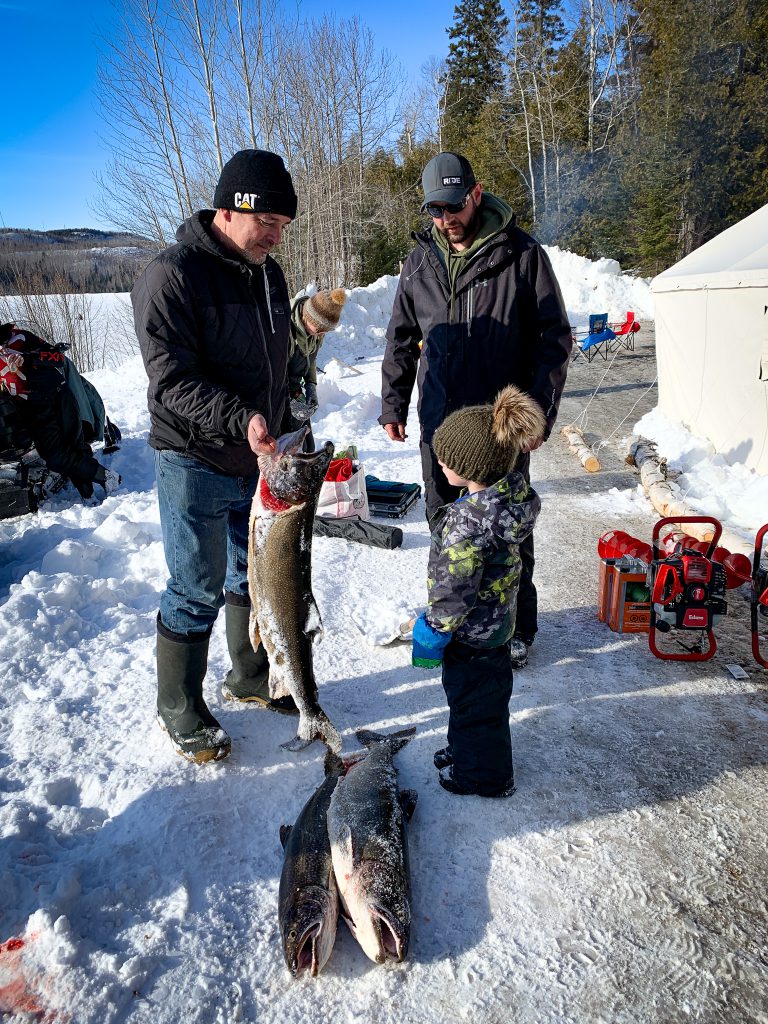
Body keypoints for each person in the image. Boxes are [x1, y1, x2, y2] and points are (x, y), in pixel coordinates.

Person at [131, 149, 298, 765]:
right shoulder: (171, 276)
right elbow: (170, 381)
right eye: (268, 225)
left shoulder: (266, 272)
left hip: (253, 457)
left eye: (283, 227)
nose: (275, 239)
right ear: (230, 209)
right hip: (194, 458)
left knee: (248, 575)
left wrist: (286, 410)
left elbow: (278, 354)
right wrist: (243, 418)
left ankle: (249, 674)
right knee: (196, 585)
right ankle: (179, 708)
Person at [380, 152, 572, 668]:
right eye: (435, 211)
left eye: (453, 206)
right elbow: (402, 337)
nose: (446, 220)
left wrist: (537, 413)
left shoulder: (522, 254)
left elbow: (553, 338)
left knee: (504, 532)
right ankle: (448, 621)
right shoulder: (420, 258)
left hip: (498, 429)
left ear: (476, 193)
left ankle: (514, 628)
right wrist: (393, 401)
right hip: (442, 426)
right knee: (447, 527)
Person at [410, 385, 544, 798]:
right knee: (481, 700)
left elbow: (454, 592)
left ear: (472, 467)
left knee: (473, 705)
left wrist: (433, 631)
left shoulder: (467, 525)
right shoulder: (509, 502)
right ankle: (465, 749)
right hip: (497, 628)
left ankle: (484, 776)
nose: (441, 463)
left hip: (469, 635)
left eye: (447, 458)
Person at [282, 288, 348, 450]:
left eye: (325, 331)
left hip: (294, 389)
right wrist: (289, 401)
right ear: (308, 317)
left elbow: (310, 358)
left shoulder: (315, 333)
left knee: (308, 446)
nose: (321, 334)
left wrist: (311, 385)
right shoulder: (285, 329)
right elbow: (275, 372)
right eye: (320, 330)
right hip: (277, 395)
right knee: (288, 450)